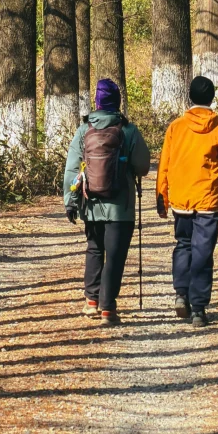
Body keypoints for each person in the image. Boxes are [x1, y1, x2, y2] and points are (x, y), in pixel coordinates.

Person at [63, 78, 151, 327]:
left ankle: (91, 301)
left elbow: (72, 169)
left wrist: (70, 202)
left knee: (94, 248)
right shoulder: (128, 130)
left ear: (97, 101)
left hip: (91, 204)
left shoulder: (84, 130)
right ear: (117, 101)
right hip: (120, 207)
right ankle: (108, 308)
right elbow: (143, 167)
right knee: (114, 255)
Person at [156, 75, 218, 327]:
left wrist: (162, 197)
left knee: (183, 245)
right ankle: (199, 310)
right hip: (207, 203)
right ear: (212, 98)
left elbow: (165, 165)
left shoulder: (175, 128)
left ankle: (181, 295)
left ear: (190, 97)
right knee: (203, 253)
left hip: (181, 201)